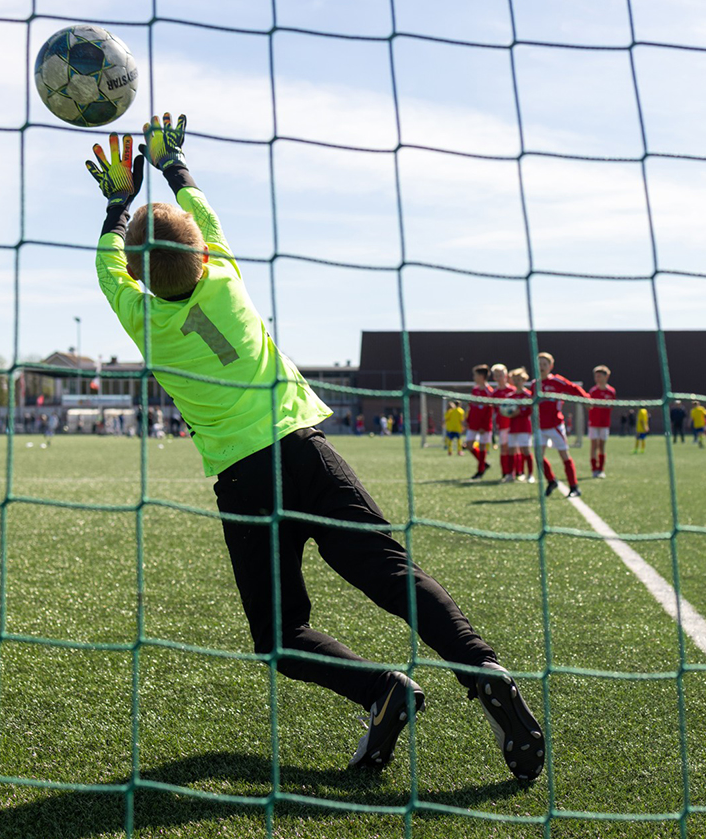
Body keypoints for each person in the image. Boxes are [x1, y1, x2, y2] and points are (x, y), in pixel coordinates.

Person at [85, 116, 542, 779]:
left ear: (141, 277)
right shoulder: (225, 281)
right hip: (307, 453)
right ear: (203, 257)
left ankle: (379, 688)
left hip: (244, 486)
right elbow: (199, 216)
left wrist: (114, 206)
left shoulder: (143, 319)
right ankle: (484, 670)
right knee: (394, 577)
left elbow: (110, 271)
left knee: (281, 635)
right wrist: (173, 166)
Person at [536, 352, 586, 498]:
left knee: (564, 455)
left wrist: (586, 399)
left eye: (544, 364)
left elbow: (573, 388)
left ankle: (574, 486)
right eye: (539, 364)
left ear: (550, 366)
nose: (541, 367)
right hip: (540, 427)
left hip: (555, 426)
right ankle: (551, 481)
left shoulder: (557, 381)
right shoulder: (535, 385)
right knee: (539, 457)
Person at [465, 364, 494, 480]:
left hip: (484, 425)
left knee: (482, 447)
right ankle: (484, 463)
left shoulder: (489, 392)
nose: (474, 378)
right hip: (473, 423)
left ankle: (480, 470)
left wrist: (483, 425)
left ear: (482, 376)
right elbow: (471, 407)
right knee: (468, 445)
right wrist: (467, 420)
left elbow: (489, 411)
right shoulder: (475, 390)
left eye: (475, 375)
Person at [490, 363, 518, 482]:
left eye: (501, 375)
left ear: (506, 375)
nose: (499, 377)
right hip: (502, 425)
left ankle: (518, 472)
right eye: (497, 375)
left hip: (513, 425)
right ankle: (505, 472)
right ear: (494, 377)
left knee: (515, 449)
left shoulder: (512, 390)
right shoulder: (494, 393)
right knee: (503, 449)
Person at [507, 367, 535, 482]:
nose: (517, 381)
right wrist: (509, 414)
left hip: (524, 427)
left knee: (526, 450)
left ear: (524, 380)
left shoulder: (528, 395)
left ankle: (530, 475)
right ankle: (510, 474)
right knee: (511, 450)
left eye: (519, 379)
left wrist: (519, 412)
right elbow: (506, 411)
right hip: (513, 427)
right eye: (515, 379)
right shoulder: (510, 397)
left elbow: (530, 410)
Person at [587, 365, 615, 479]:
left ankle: (601, 469)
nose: (597, 378)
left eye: (599, 376)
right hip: (594, 423)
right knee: (593, 445)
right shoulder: (593, 391)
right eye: (596, 376)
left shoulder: (611, 391)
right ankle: (594, 469)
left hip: (604, 423)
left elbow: (612, 406)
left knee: (602, 446)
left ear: (606, 376)